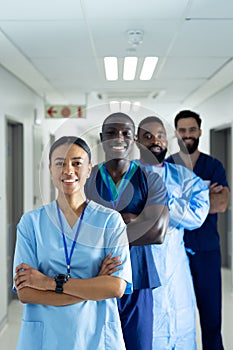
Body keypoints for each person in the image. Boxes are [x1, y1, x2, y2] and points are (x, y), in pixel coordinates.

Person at [13, 136, 133, 350]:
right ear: (50, 169)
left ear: (88, 170)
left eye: (77, 163)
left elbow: (115, 287)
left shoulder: (110, 221)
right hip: (46, 338)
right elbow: (25, 293)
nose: (68, 170)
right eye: (60, 163)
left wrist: (48, 283)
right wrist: (95, 284)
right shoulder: (31, 223)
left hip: (96, 336)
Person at [85, 112, 169, 350]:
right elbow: (79, 229)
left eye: (125, 133)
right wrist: (134, 219)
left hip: (139, 277)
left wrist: (105, 225)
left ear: (134, 140)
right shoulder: (88, 178)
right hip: (95, 276)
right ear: (102, 138)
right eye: (111, 133)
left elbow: (158, 233)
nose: (118, 138)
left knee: (139, 345)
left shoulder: (150, 180)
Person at [136, 116, 210, 350]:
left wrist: (159, 198)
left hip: (176, 268)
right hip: (140, 267)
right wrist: (175, 206)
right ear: (137, 141)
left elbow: (197, 216)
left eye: (159, 135)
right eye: (147, 136)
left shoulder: (184, 178)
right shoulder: (126, 176)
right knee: (144, 333)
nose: (154, 141)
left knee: (182, 329)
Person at [166, 110, 230, 350]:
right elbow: (157, 207)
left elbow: (222, 203)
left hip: (206, 252)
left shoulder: (213, 165)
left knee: (211, 318)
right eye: (182, 130)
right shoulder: (168, 165)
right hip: (174, 254)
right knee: (174, 317)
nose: (188, 135)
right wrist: (203, 198)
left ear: (200, 131)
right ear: (176, 133)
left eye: (192, 130)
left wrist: (178, 203)